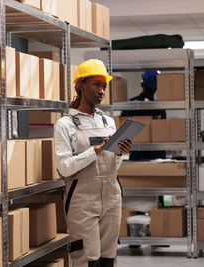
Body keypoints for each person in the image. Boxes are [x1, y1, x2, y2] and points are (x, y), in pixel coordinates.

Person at [54, 59, 132, 267]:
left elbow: (113, 167)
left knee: (108, 259)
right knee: (88, 260)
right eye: (96, 84)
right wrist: (94, 152)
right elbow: (63, 167)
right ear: (80, 85)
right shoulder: (65, 124)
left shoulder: (108, 122)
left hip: (111, 197)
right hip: (82, 200)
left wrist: (120, 154)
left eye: (104, 86)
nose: (101, 90)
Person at [121, 70, 166, 160]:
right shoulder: (160, 106)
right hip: (149, 153)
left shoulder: (131, 104)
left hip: (146, 153)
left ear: (142, 84)